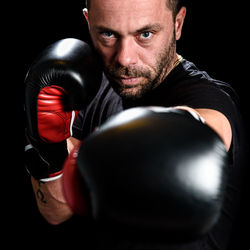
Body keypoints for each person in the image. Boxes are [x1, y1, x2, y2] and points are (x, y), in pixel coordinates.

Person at [24, 0, 247, 249]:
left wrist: (81, 155)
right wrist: (49, 149)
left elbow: (207, 130)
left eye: (145, 34)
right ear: (89, 22)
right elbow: (55, 211)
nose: (125, 58)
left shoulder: (209, 97)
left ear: (178, 24)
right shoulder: (82, 88)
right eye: (108, 34)